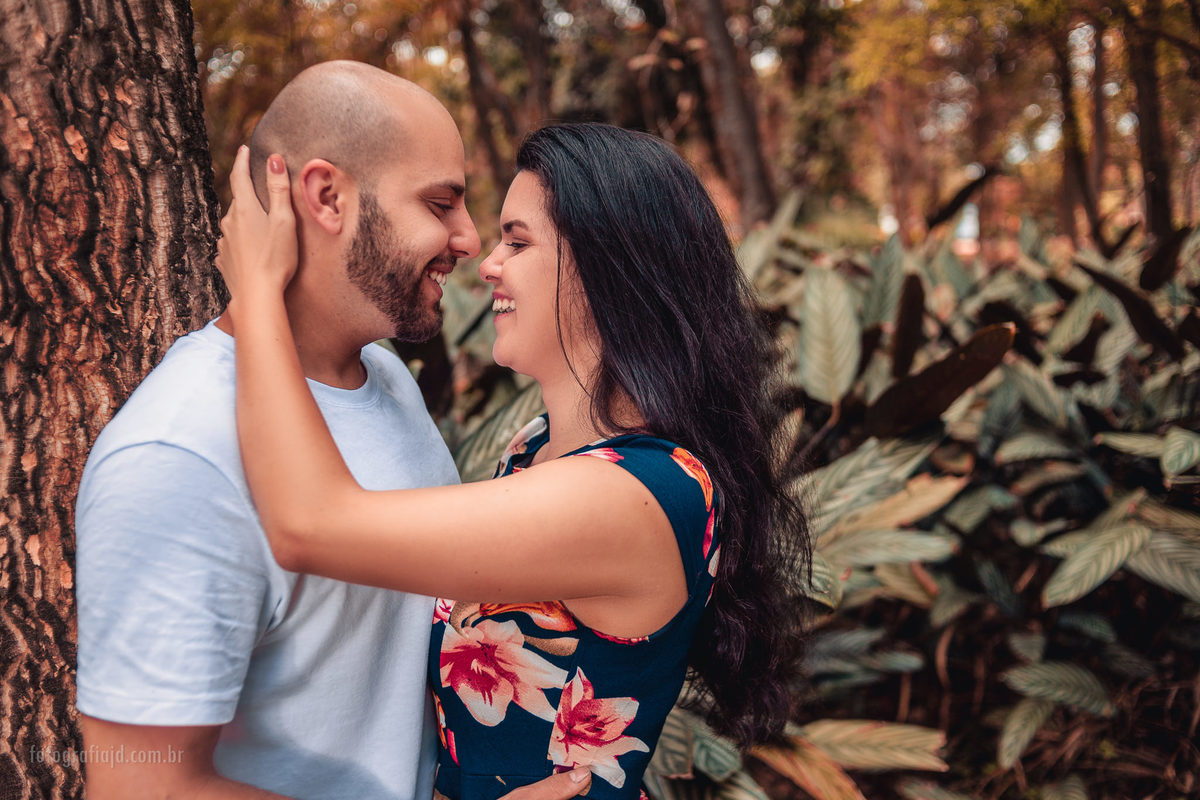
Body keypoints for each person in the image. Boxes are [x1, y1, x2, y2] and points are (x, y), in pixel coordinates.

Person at [217, 122, 811, 800]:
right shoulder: (536, 446)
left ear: (607, 268)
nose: (488, 263)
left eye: (518, 242)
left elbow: (309, 526)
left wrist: (259, 293)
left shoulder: (634, 493)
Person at [74, 61, 590, 800]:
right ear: (327, 196)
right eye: (441, 202)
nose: (469, 239)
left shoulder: (382, 378)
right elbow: (139, 789)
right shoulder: (178, 453)